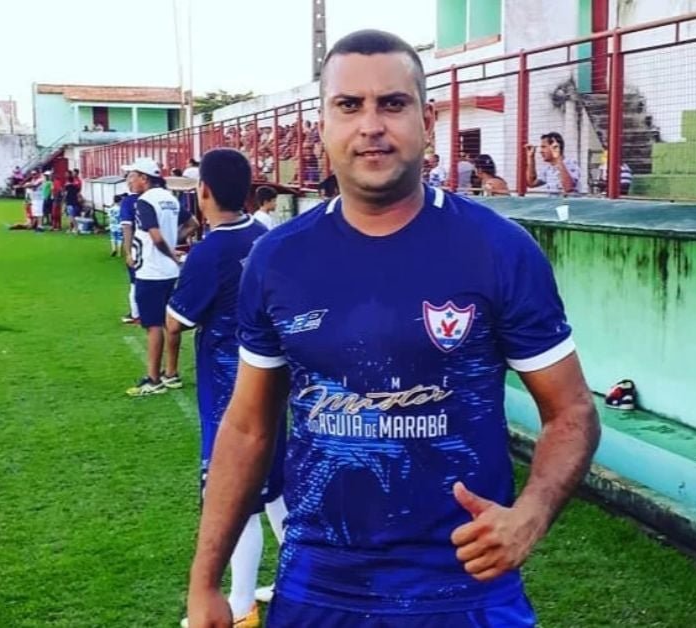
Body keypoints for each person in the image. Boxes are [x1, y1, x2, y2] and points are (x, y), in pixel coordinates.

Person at [185, 29, 601, 628]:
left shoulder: (498, 250)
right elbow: (248, 428)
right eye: (349, 105)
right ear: (323, 125)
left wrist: (531, 514)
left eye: (393, 103)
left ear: (426, 121)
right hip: (320, 582)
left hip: (464, 585)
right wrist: (205, 583)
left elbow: (571, 411)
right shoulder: (277, 260)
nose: (371, 125)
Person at [166, 149, 288, 628]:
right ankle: (298, 578)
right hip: (274, 383)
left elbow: (177, 320)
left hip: (229, 393)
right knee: (276, 491)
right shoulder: (266, 236)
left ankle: (239, 606)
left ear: (204, 192)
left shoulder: (209, 251)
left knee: (236, 497)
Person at [124, 157, 199, 396]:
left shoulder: (145, 201)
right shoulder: (170, 198)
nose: (129, 181)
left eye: (132, 176)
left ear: (144, 178)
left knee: (153, 325)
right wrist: (173, 244)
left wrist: (169, 251)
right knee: (170, 324)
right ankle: (171, 373)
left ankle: (153, 379)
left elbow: (155, 237)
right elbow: (193, 223)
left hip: (151, 271)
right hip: (170, 273)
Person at [119, 190, 141, 324]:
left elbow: (127, 228)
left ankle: (135, 314)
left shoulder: (128, 202)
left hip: (138, 249)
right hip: (160, 250)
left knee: (135, 282)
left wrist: (128, 253)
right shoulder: (166, 198)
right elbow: (191, 223)